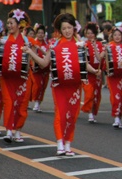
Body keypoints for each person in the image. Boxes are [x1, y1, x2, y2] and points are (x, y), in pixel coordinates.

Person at [24, 13, 101, 155]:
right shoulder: (54, 44)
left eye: (69, 28)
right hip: (59, 85)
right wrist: (30, 52)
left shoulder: (79, 45)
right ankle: (60, 142)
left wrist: (95, 70)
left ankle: (68, 143)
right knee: (61, 113)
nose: (67, 31)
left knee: (72, 115)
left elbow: (85, 64)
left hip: (75, 86)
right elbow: (44, 63)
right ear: (60, 29)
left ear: (74, 28)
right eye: (64, 28)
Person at [0, 10, 32, 143]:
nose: (9, 25)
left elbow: (29, 59)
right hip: (7, 78)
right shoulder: (3, 41)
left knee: (21, 105)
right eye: (8, 23)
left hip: (22, 78)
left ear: (19, 25)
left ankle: (18, 130)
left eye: (11, 23)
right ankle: (9, 130)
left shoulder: (26, 40)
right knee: (9, 102)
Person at [105, 26, 122, 129]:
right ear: (112, 36)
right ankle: (116, 118)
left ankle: (119, 116)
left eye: (119, 35)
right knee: (116, 96)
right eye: (115, 35)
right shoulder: (108, 46)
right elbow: (104, 60)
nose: (117, 37)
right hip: (113, 77)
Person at [81, 22, 105, 123]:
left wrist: (95, 46)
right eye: (88, 33)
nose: (90, 35)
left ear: (95, 34)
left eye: (91, 33)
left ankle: (93, 112)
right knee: (89, 93)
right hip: (88, 73)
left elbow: (100, 58)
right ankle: (90, 113)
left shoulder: (100, 45)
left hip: (98, 72)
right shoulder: (83, 45)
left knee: (96, 94)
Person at [28, 25, 49, 113]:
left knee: (43, 86)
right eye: (39, 33)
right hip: (35, 69)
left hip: (45, 69)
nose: (40, 35)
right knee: (38, 85)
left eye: (42, 33)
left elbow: (49, 54)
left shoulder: (48, 44)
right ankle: (35, 102)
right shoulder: (33, 43)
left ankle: (38, 102)